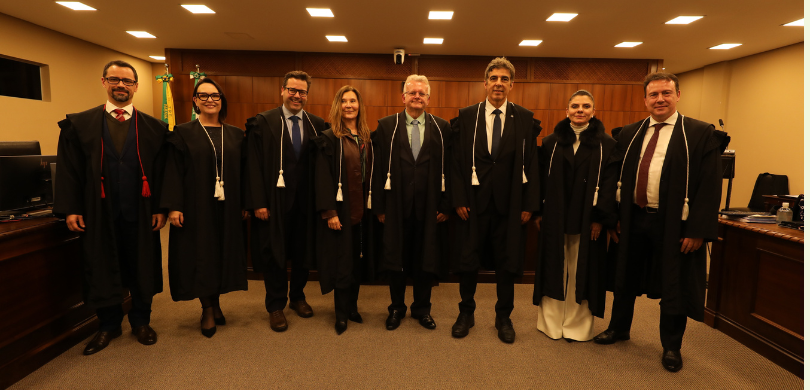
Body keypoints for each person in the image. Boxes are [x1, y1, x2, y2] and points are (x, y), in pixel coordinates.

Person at [594, 72, 728, 372]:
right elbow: (612, 178)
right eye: (654, 95)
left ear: (678, 95)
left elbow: (709, 186)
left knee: (673, 282)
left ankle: (671, 346)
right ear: (645, 100)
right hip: (633, 218)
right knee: (624, 275)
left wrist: (697, 230)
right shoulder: (629, 133)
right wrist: (613, 217)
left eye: (666, 93)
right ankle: (618, 328)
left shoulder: (698, 133)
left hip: (674, 224)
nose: (660, 99)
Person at [54, 60, 169, 355]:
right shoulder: (79, 125)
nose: (121, 85)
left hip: (142, 212)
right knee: (102, 265)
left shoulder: (155, 128)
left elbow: (163, 172)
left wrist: (161, 207)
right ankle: (108, 325)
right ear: (104, 82)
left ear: (136, 86)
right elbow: (69, 170)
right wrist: (71, 208)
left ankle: (141, 322)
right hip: (97, 211)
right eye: (115, 79)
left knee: (142, 265)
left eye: (127, 81)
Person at [449, 57, 541, 343]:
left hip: (510, 204)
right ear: (485, 83)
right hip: (472, 204)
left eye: (504, 79)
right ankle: (466, 312)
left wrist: (529, 204)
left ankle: (504, 317)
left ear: (512, 85)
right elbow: (455, 162)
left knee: (507, 261)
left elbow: (532, 163)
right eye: (494, 78)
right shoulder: (467, 116)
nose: (499, 83)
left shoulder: (524, 118)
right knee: (468, 260)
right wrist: (459, 198)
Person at [161, 78, 249, 338]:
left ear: (222, 100)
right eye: (203, 96)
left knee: (223, 254)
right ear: (195, 101)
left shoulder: (235, 134)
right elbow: (173, 172)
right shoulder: (182, 132)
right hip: (195, 205)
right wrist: (174, 206)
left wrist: (245, 203)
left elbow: (245, 173)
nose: (210, 100)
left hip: (229, 206)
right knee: (201, 255)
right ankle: (207, 308)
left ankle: (217, 302)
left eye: (215, 96)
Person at [245, 71, 326, 332]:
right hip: (274, 203)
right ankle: (276, 305)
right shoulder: (264, 122)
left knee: (303, 254)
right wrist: (258, 202)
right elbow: (253, 166)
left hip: (306, 204)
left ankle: (298, 297)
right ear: (282, 90)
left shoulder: (316, 124)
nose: (297, 95)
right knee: (275, 255)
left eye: (302, 92)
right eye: (292, 90)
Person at [533, 90, 617, 341]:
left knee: (582, 269)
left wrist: (600, 218)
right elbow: (539, 181)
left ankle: (577, 327)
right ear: (566, 110)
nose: (580, 110)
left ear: (594, 111)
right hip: (555, 216)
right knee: (554, 266)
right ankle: (551, 323)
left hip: (587, 218)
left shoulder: (607, 145)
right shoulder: (550, 142)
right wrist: (538, 212)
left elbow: (610, 184)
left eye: (586, 106)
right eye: (575, 106)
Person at [372, 75, 451, 331]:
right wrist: (380, 207)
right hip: (396, 206)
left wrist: (446, 204)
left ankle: (421, 309)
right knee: (396, 259)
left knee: (425, 259)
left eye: (422, 93)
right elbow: (377, 167)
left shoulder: (442, 128)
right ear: (403, 97)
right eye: (412, 92)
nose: (417, 97)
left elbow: (451, 169)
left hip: (429, 208)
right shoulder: (386, 126)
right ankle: (396, 308)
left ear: (429, 98)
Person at [312, 86, 375, 335]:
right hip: (341, 209)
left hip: (363, 210)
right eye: (344, 101)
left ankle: (352, 307)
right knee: (342, 262)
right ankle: (340, 313)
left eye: (353, 101)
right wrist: (330, 212)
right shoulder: (329, 138)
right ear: (338, 106)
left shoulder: (368, 137)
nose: (349, 105)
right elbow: (322, 178)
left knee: (357, 261)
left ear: (360, 105)